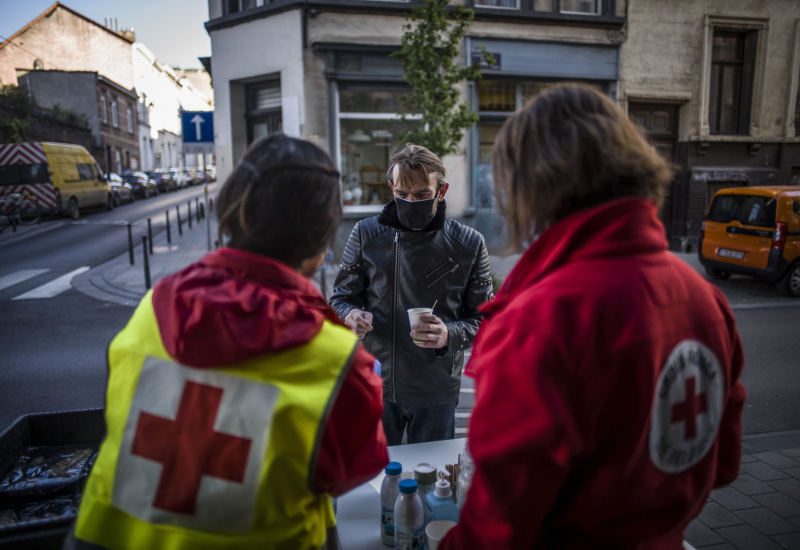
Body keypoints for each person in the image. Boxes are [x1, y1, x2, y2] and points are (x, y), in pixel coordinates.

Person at [441, 84, 746, 549]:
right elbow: (722, 465)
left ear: (532, 186)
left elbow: (496, 530)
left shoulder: (540, 321)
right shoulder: (706, 297)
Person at [66, 135, 389, 550]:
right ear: (320, 244)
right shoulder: (337, 361)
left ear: (231, 212)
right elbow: (349, 473)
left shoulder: (153, 306)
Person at [330, 144, 494, 446]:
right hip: (375, 383)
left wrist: (449, 334)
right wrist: (349, 315)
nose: (410, 202)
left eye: (421, 195)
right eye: (402, 194)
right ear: (391, 187)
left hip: (436, 390)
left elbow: (486, 320)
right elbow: (341, 298)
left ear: (441, 191)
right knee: (373, 482)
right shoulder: (366, 234)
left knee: (432, 484)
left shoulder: (469, 243)